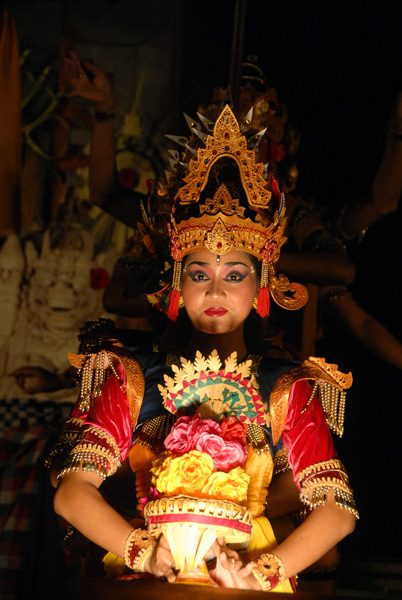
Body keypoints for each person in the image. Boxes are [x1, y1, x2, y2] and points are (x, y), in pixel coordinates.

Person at [49, 105, 357, 592]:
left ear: (261, 287)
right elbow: (71, 494)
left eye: (235, 275)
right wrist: (145, 554)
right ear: (175, 285)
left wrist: (260, 574)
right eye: (199, 275)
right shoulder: (130, 376)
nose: (215, 292)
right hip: (144, 576)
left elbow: (337, 512)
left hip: (245, 580)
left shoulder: (289, 388)